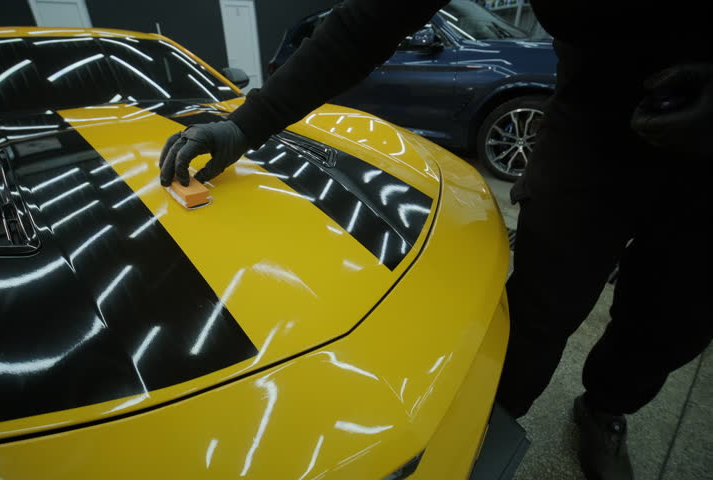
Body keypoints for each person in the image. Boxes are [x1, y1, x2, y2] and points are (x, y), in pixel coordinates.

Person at [159, 1, 713, 479]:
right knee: (541, 304)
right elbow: (365, 24)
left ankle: (607, 408)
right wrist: (248, 123)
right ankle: (488, 422)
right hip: (592, 123)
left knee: (674, 317)